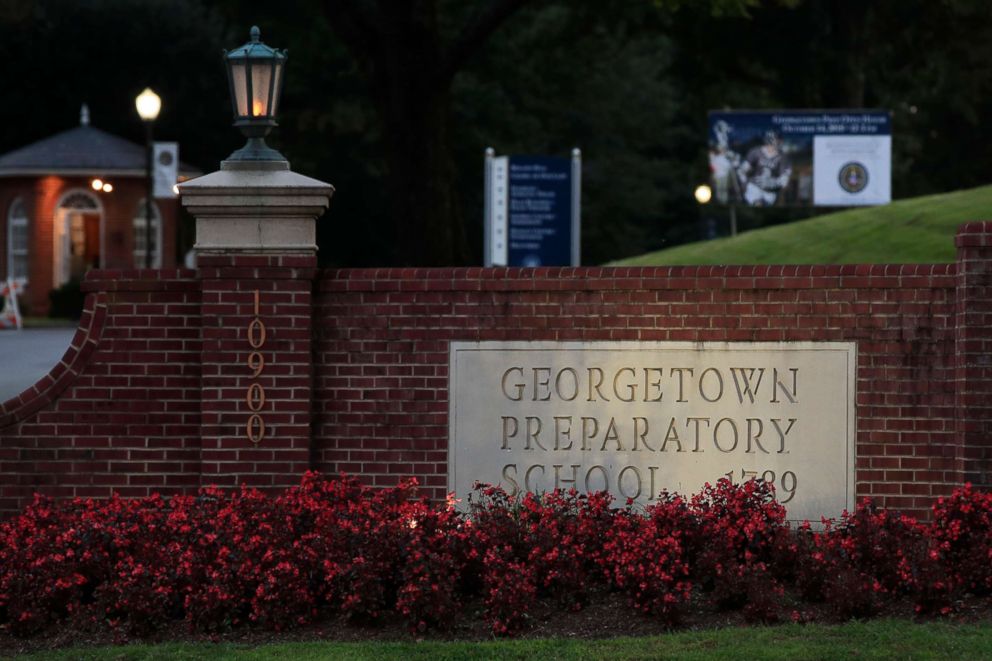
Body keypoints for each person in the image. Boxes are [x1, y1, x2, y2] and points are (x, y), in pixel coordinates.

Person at [738, 130, 792, 206]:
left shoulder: (783, 157)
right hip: (755, 187)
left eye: (778, 140)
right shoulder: (756, 152)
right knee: (758, 204)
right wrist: (744, 184)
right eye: (776, 140)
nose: (778, 142)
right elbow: (742, 170)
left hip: (770, 192)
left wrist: (774, 183)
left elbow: (784, 179)